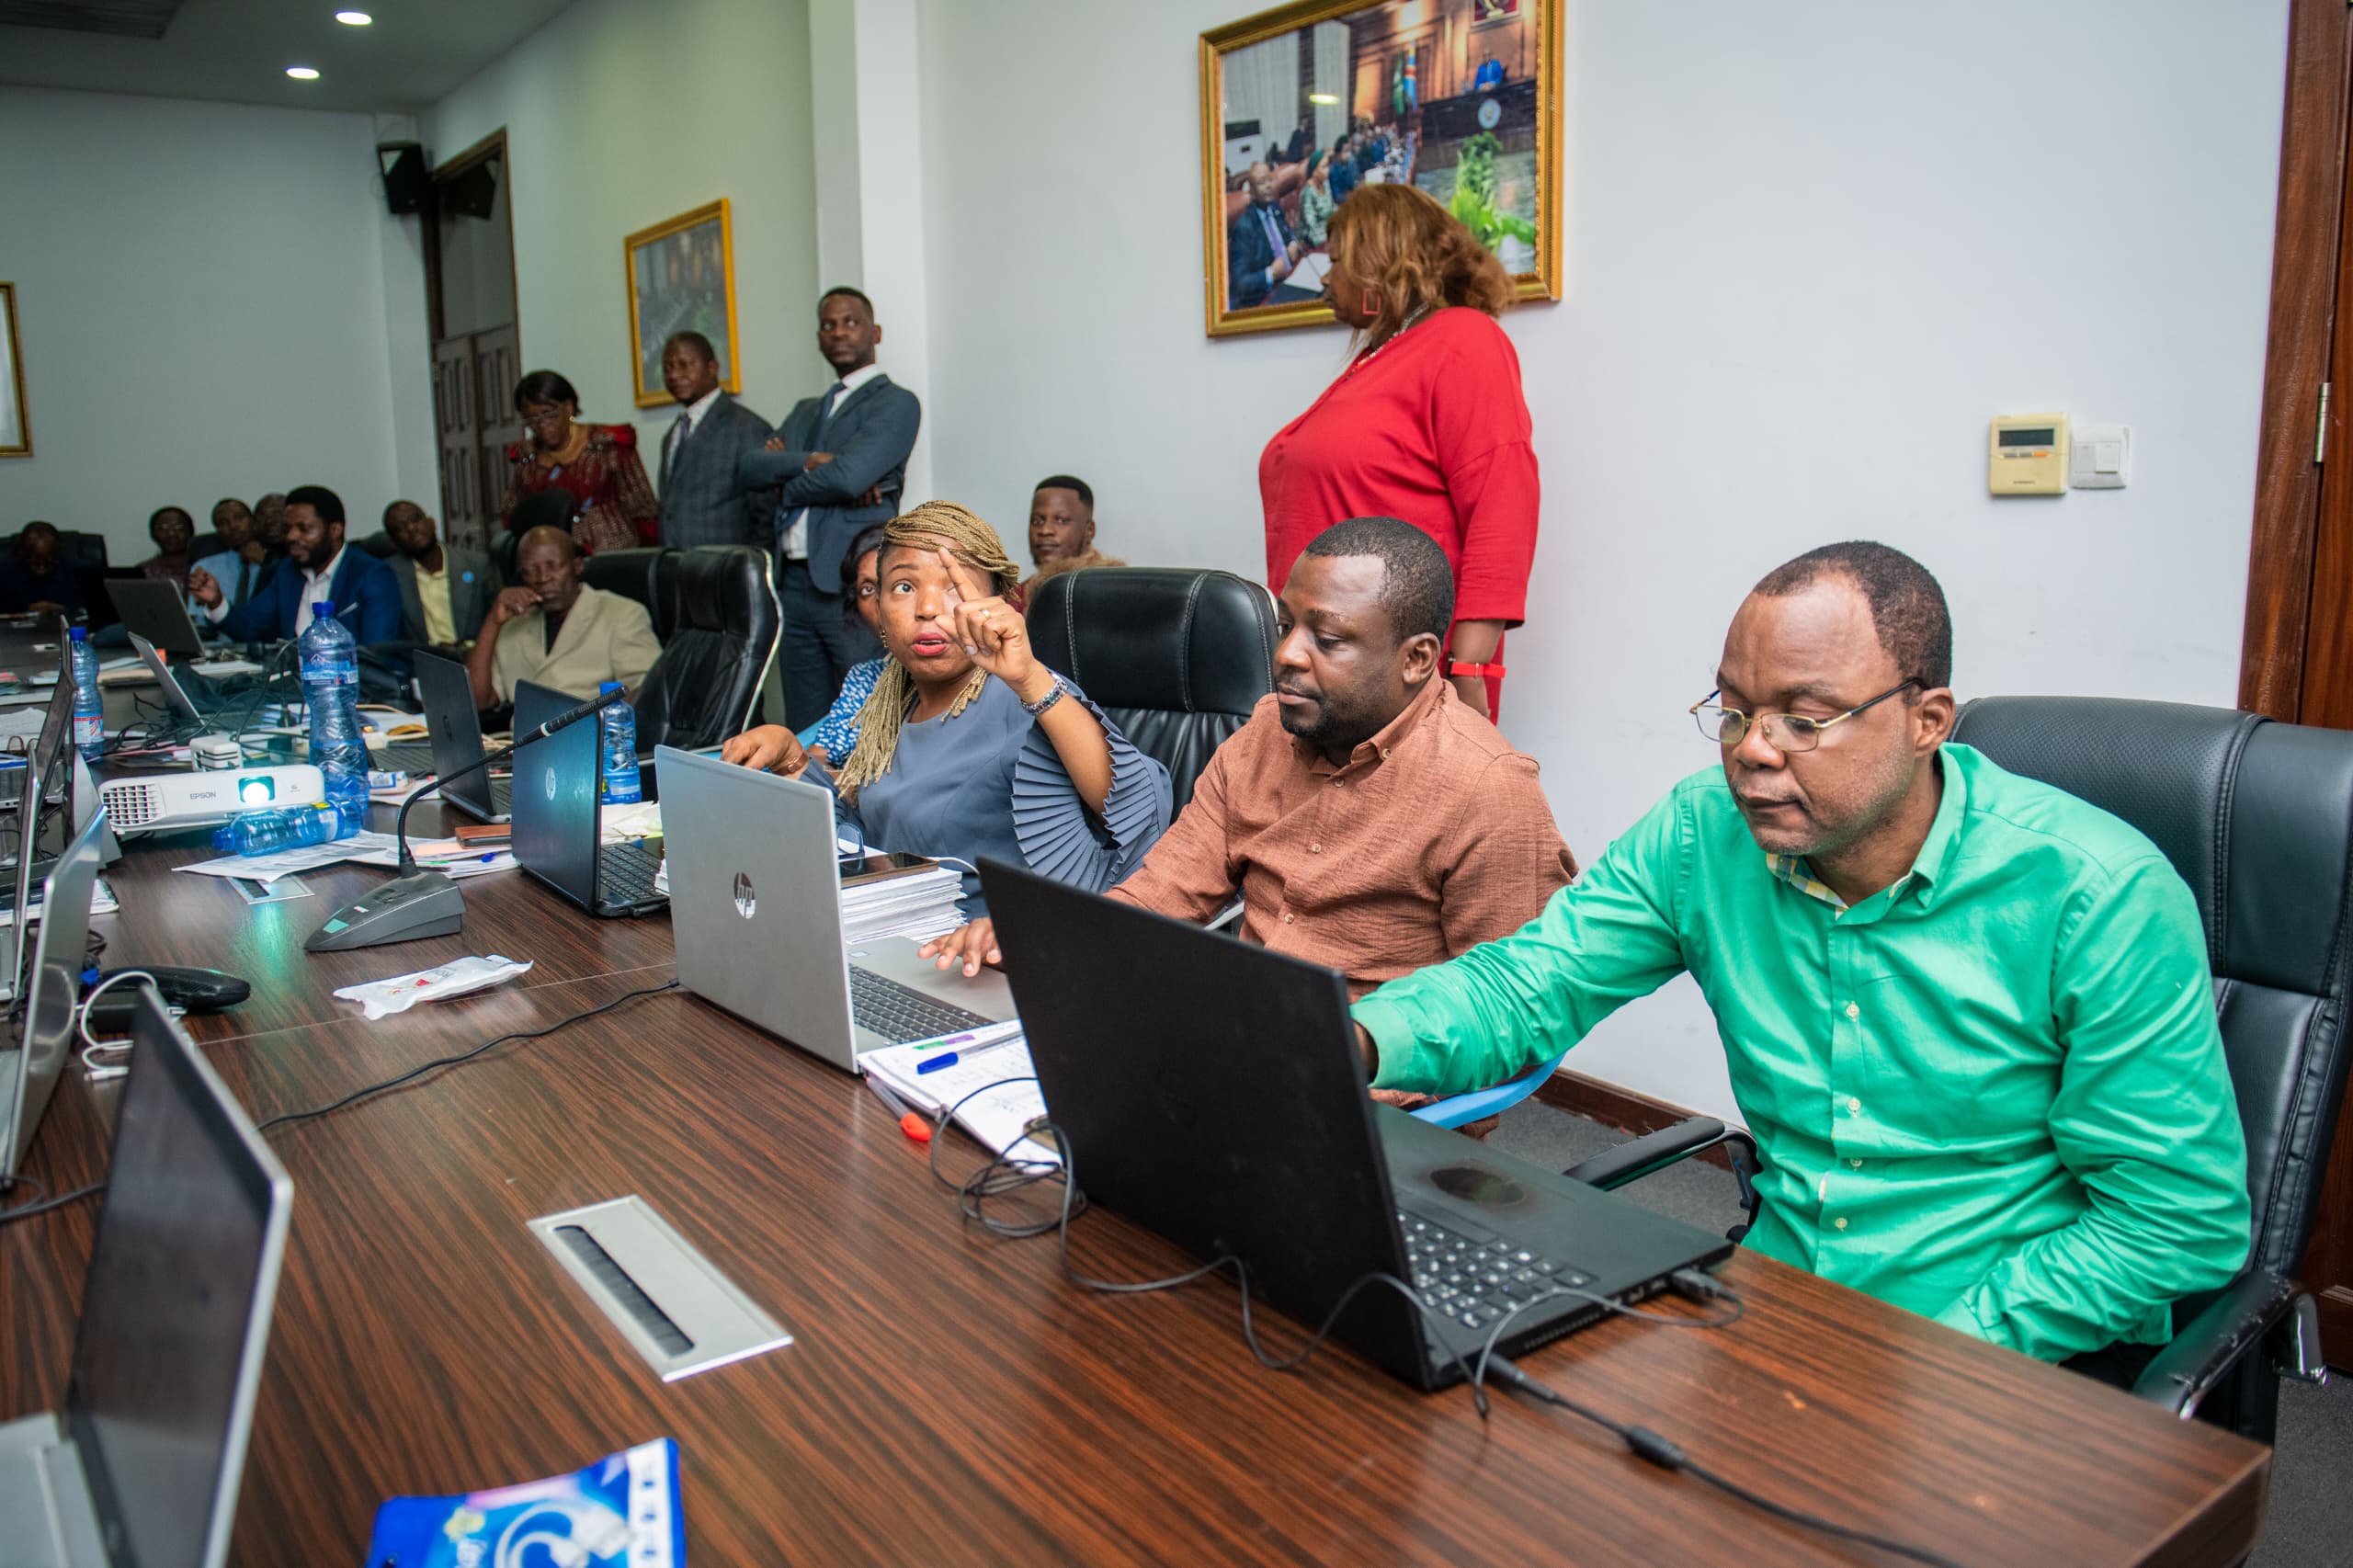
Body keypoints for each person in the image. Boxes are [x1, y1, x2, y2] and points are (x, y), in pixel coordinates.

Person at [1349, 541, 2251, 1364]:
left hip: (2000, 1348)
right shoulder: (1703, 831)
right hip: (1773, 1306)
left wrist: (1935, 1356)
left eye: (1804, 717)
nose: (1751, 751)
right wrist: (1353, 1039)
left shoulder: (2099, 895)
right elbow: (1526, 984)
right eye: (1734, 711)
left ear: (1927, 718)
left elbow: (2175, 1219)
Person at [924, 519, 1574, 1040]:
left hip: (1375, 1096)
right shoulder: (1268, 730)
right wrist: (1041, 935)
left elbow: (1511, 1019)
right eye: (1288, 625)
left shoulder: (1487, 790)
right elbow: (1161, 892)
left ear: (1417, 659)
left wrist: (1357, 1072)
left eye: (1330, 638)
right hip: (1234, 1040)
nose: (1286, 653)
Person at [720, 501, 1170, 917]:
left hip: (999, 963)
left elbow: (1141, 810)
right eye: (903, 586)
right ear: (877, 607)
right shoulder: (890, 705)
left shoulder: (1031, 698)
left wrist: (1032, 678)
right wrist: (793, 758)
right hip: (892, 939)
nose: (928, 609)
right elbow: (877, 835)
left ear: (999, 604)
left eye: (954, 587)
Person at [1261, 182, 1537, 721]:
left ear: (1378, 261)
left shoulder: (1463, 340)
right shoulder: (1382, 356)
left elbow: (1503, 505)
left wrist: (1472, 670)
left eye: (1338, 260)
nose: (1325, 278)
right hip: (1326, 664)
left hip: (1394, 672)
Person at [735, 288, 919, 730]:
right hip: (792, 583)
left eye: (850, 322)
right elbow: (749, 467)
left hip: (852, 584)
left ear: (874, 332)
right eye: (828, 324)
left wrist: (790, 486)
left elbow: (849, 477)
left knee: (865, 714)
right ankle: (811, 800)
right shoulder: (805, 411)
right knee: (804, 719)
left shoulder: (895, 403)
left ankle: (860, 801)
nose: (838, 332)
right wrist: (808, 463)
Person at [467, 523, 661, 710]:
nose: (543, 578)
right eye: (531, 571)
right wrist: (493, 621)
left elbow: (646, 691)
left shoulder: (622, 614)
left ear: (577, 566)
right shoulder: (515, 624)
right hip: (521, 740)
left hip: (589, 737)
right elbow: (478, 700)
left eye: (553, 566)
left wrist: (596, 725)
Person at [192, 484, 401, 644]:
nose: (291, 536)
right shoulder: (287, 571)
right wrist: (216, 602)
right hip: (291, 687)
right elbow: (249, 627)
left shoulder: (372, 575)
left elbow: (376, 655)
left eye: (304, 528)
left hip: (350, 688)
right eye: (288, 528)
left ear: (335, 530)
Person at [497, 369, 660, 554]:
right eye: (532, 419)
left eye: (548, 413)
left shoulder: (609, 446)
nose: (542, 424)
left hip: (612, 556)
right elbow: (513, 513)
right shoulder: (527, 458)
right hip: (555, 561)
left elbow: (644, 510)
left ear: (569, 407)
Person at [654, 331, 772, 551]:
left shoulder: (747, 428)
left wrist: (749, 570)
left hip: (725, 570)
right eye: (668, 368)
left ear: (713, 368)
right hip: (676, 569)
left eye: (685, 365)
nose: (674, 375)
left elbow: (766, 516)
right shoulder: (673, 434)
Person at [797, 524, 890, 767]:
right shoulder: (866, 680)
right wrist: (787, 755)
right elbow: (819, 758)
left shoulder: (987, 680)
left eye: (901, 585)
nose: (882, 601)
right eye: (867, 589)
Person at [381, 501, 499, 649]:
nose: (411, 529)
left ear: (432, 523)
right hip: (426, 662)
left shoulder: (477, 565)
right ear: (393, 542)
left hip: (474, 655)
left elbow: (498, 620)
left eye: (415, 519)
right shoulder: (389, 574)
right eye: (400, 528)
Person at [1020, 475, 1125, 599]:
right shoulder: (1016, 598)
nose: (1045, 530)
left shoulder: (1116, 589)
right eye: (1037, 521)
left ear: (1089, 531)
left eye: (1061, 520)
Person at [1228, 161, 1305, 309]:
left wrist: (1294, 243)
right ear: (1251, 191)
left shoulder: (1275, 208)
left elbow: (1289, 235)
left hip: (1290, 281)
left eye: (1270, 179)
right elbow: (1240, 285)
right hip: (1266, 296)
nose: (1269, 185)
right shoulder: (1244, 228)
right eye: (1262, 183)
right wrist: (1270, 273)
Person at [190, 498, 277, 613]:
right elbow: (196, 616)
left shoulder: (276, 561)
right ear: (218, 530)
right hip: (216, 628)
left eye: (239, 518)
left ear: (253, 520)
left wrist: (265, 563)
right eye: (223, 522)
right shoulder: (206, 566)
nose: (233, 526)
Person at [0, 522, 83, 617]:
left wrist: (61, 609)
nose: (41, 569)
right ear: (22, 554)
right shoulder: (4, 573)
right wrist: (24, 610)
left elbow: (92, 610)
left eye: (48, 563)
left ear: (57, 554)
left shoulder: (79, 572)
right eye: (35, 563)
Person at [139, 506, 197, 593]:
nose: (171, 533)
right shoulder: (142, 571)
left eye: (179, 528)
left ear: (191, 533)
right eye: (163, 528)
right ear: (153, 534)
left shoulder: (205, 567)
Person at [1297, 154, 1336, 247]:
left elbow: (1332, 208)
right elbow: (1311, 226)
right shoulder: (1307, 193)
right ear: (1314, 171)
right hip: (1312, 239)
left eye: (1328, 166)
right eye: (1324, 167)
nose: (1328, 170)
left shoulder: (1325, 183)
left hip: (1329, 231)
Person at [1328, 134, 1360, 204]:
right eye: (1346, 151)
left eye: (1349, 151)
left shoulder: (1347, 165)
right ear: (1338, 154)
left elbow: (1352, 184)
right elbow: (1337, 197)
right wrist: (1353, 195)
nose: (1349, 154)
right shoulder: (1333, 170)